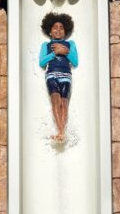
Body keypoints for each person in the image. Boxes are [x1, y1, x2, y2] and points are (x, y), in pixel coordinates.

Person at [39, 12, 78, 142]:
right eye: (55, 27)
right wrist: (54, 53)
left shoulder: (70, 44)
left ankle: (62, 132)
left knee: (64, 103)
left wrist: (66, 52)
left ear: (65, 31)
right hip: (51, 74)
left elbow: (75, 62)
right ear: (50, 31)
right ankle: (61, 132)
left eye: (61, 28)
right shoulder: (45, 45)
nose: (58, 30)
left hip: (66, 75)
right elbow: (42, 63)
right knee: (56, 101)